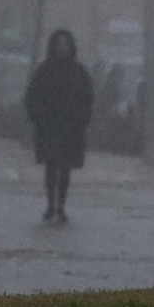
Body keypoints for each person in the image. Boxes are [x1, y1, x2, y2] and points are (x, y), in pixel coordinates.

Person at [25, 28, 93, 224]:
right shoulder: (44, 70)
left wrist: (81, 120)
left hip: (70, 129)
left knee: (64, 169)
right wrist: (38, 118)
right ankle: (50, 205)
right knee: (51, 166)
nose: (62, 48)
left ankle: (61, 206)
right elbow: (33, 97)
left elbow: (87, 98)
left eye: (65, 44)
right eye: (59, 44)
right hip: (49, 128)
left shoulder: (78, 72)